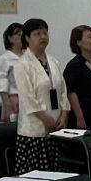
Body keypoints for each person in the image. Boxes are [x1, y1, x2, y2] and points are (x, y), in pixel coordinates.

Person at [11, 19, 65, 172]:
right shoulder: (22, 64)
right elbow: (27, 97)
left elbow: (63, 91)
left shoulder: (54, 62)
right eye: (37, 34)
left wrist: (64, 115)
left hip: (56, 127)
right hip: (34, 130)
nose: (43, 37)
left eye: (45, 33)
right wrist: (45, 118)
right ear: (27, 38)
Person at [0, 22, 26, 121]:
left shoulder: (28, 56)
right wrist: (7, 103)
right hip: (13, 98)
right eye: (18, 34)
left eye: (23, 35)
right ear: (10, 38)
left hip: (28, 97)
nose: (21, 37)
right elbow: (2, 82)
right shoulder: (5, 58)